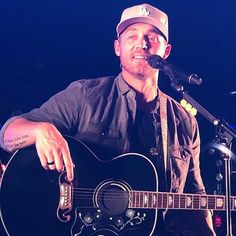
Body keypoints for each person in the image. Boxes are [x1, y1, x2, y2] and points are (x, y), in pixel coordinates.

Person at [0, 3, 215, 236]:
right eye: (132, 36)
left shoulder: (184, 121)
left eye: (152, 37)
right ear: (117, 47)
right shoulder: (85, 95)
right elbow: (8, 134)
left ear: (166, 51)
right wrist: (40, 130)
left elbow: (196, 197)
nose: (142, 44)